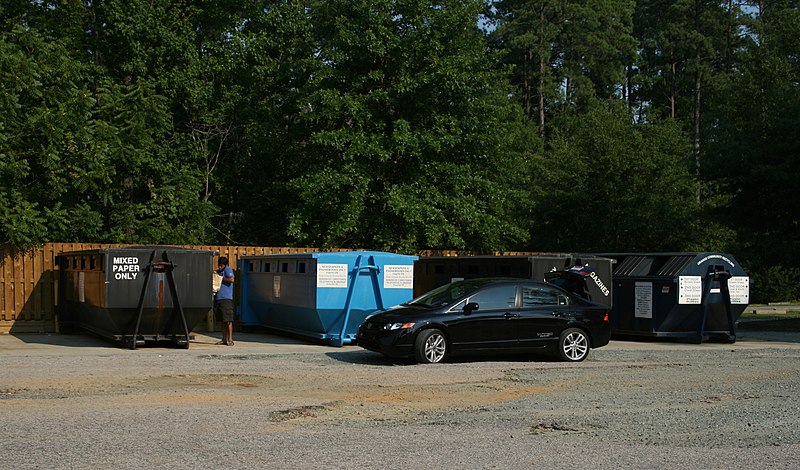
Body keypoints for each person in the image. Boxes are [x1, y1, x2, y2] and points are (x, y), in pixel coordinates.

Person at [214, 256, 235, 346]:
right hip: (219, 298)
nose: (220, 267)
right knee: (222, 320)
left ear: (225, 265)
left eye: (221, 265)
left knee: (228, 320)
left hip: (226, 298)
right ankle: (223, 339)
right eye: (219, 265)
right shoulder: (219, 272)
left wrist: (221, 278)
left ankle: (230, 339)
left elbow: (231, 280)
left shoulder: (228, 270)